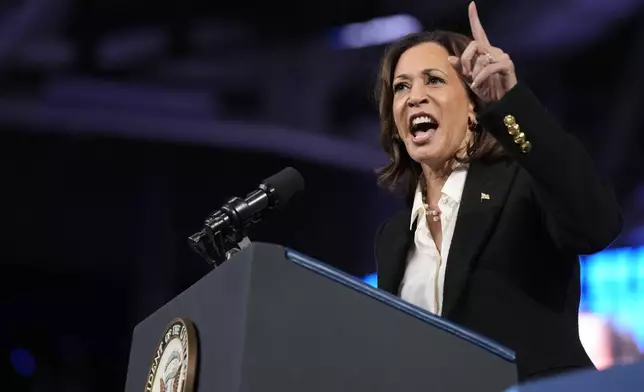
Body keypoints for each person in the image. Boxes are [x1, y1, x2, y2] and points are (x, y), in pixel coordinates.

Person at [372, 1, 623, 383]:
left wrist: (511, 105)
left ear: (474, 108)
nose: (414, 96)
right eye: (402, 86)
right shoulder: (392, 238)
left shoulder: (522, 185)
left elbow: (597, 224)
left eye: (434, 80)